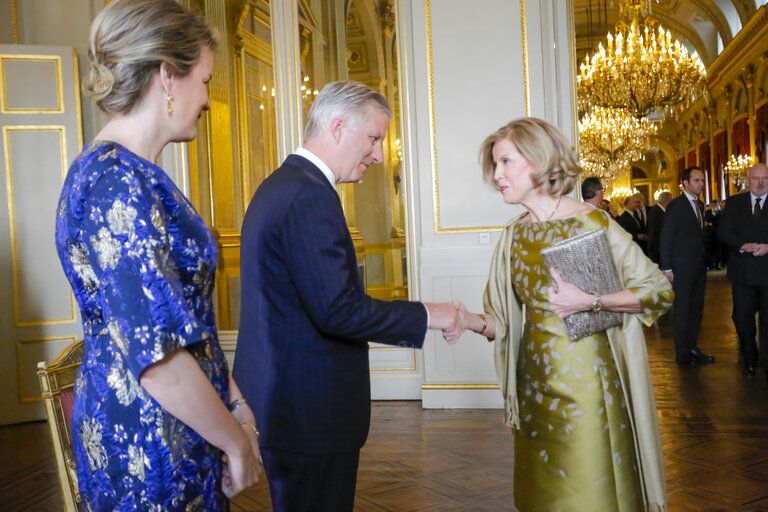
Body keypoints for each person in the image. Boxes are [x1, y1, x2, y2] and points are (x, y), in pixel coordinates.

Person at [54, 1, 261, 509]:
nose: (209, 100)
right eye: (206, 80)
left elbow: (183, 323)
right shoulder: (117, 183)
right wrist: (236, 443)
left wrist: (235, 402)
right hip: (150, 442)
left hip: (177, 424)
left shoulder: (131, 176)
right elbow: (158, 359)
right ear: (168, 76)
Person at [233, 80, 463, 512]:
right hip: (309, 409)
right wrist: (431, 314)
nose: (379, 154)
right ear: (337, 126)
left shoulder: (279, 186)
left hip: (285, 400)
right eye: (374, 137)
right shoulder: (309, 197)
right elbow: (338, 310)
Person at [456, 118, 672, 511]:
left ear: (538, 161)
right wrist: (467, 320)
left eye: (505, 162)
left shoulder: (591, 223)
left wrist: (591, 301)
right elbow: (501, 320)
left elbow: (658, 291)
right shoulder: (514, 235)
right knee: (543, 496)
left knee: (588, 491)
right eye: (495, 165)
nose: (497, 175)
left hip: (587, 388)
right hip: (533, 388)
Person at [659, 167, 715, 366]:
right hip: (681, 269)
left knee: (696, 310)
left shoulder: (699, 205)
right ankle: (682, 355)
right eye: (697, 180)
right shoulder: (676, 205)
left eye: (702, 180)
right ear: (685, 183)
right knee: (683, 311)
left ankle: (692, 347)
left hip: (698, 267)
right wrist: (667, 268)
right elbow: (666, 237)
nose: (701, 184)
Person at [718, 164, 768, 378]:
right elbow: (723, 232)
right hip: (743, 273)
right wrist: (742, 245)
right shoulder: (735, 202)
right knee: (743, 318)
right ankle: (749, 359)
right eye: (756, 178)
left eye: (765, 178)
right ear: (748, 181)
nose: (760, 182)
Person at [646, 191, 672, 264]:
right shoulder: (655, 211)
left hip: (661, 248)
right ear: (667, 200)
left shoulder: (661, 211)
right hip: (657, 248)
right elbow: (656, 231)